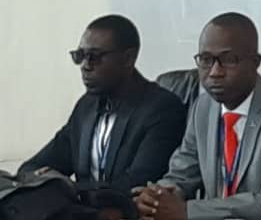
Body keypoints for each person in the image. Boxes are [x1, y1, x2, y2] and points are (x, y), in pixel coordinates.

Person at [134, 13, 261, 220]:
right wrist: (156, 198)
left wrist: (188, 211)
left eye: (229, 60)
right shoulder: (203, 107)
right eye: (205, 60)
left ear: (255, 62)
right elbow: (181, 175)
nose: (214, 72)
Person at [19, 15, 185, 196]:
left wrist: (68, 187)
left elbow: (137, 184)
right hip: (81, 210)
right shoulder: (86, 106)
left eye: (94, 57)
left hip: (127, 213)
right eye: (80, 56)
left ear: (128, 59)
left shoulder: (162, 109)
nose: (85, 66)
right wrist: (44, 179)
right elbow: (32, 168)